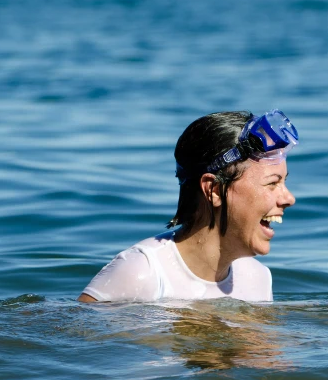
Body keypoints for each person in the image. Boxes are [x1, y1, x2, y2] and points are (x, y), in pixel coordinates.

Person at [78, 110, 297, 303]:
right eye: (272, 183)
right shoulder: (142, 272)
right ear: (213, 190)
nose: (289, 198)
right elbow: (77, 345)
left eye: (284, 182)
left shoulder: (257, 279)